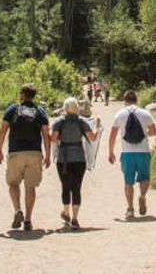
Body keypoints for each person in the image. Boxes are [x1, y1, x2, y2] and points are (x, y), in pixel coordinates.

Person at [0, 83, 51, 231]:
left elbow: (2, 130)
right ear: (33, 96)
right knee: (30, 186)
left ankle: (17, 210)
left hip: (15, 152)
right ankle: (28, 219)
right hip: (34, 153)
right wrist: (48, 155)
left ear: (22, 95)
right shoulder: (40, 111)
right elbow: (46, 135)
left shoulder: (13, 109)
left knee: (13, 183)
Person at [49, 96, 99, 229]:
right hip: (79, 158)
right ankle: (75, 218)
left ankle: (66, 212)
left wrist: (51, 131)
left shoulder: (59, 121)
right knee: (77, 188)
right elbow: (92, 138)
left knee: (65, 187)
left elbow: (53, 139)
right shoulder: (81, 122)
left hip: (63, 158)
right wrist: (97, 126)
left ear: (65, 108)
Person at [107, 89, 156, 219]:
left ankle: (130, 209)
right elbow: (153, 132)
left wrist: (111, 152)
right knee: (145, 177)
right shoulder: (145, 113)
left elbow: (112, 135)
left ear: (125, 101)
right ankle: (142, 196)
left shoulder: (120, 114)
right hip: (143, 152)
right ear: (137, 100)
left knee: (128, 181)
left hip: (127, 153)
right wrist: (144, 133)